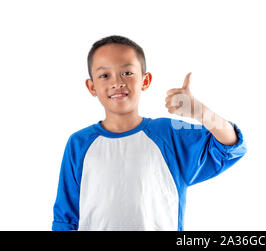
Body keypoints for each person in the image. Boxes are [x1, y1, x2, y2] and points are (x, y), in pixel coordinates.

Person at [52, 35, 247, 231]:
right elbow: (65, 218)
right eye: (104, 75)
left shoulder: (169, 134)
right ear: (92, 86)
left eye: (127, 72)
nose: (117, 82)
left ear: (145, 81)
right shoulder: (78, 143)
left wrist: (199, 111)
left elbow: (230, 146)